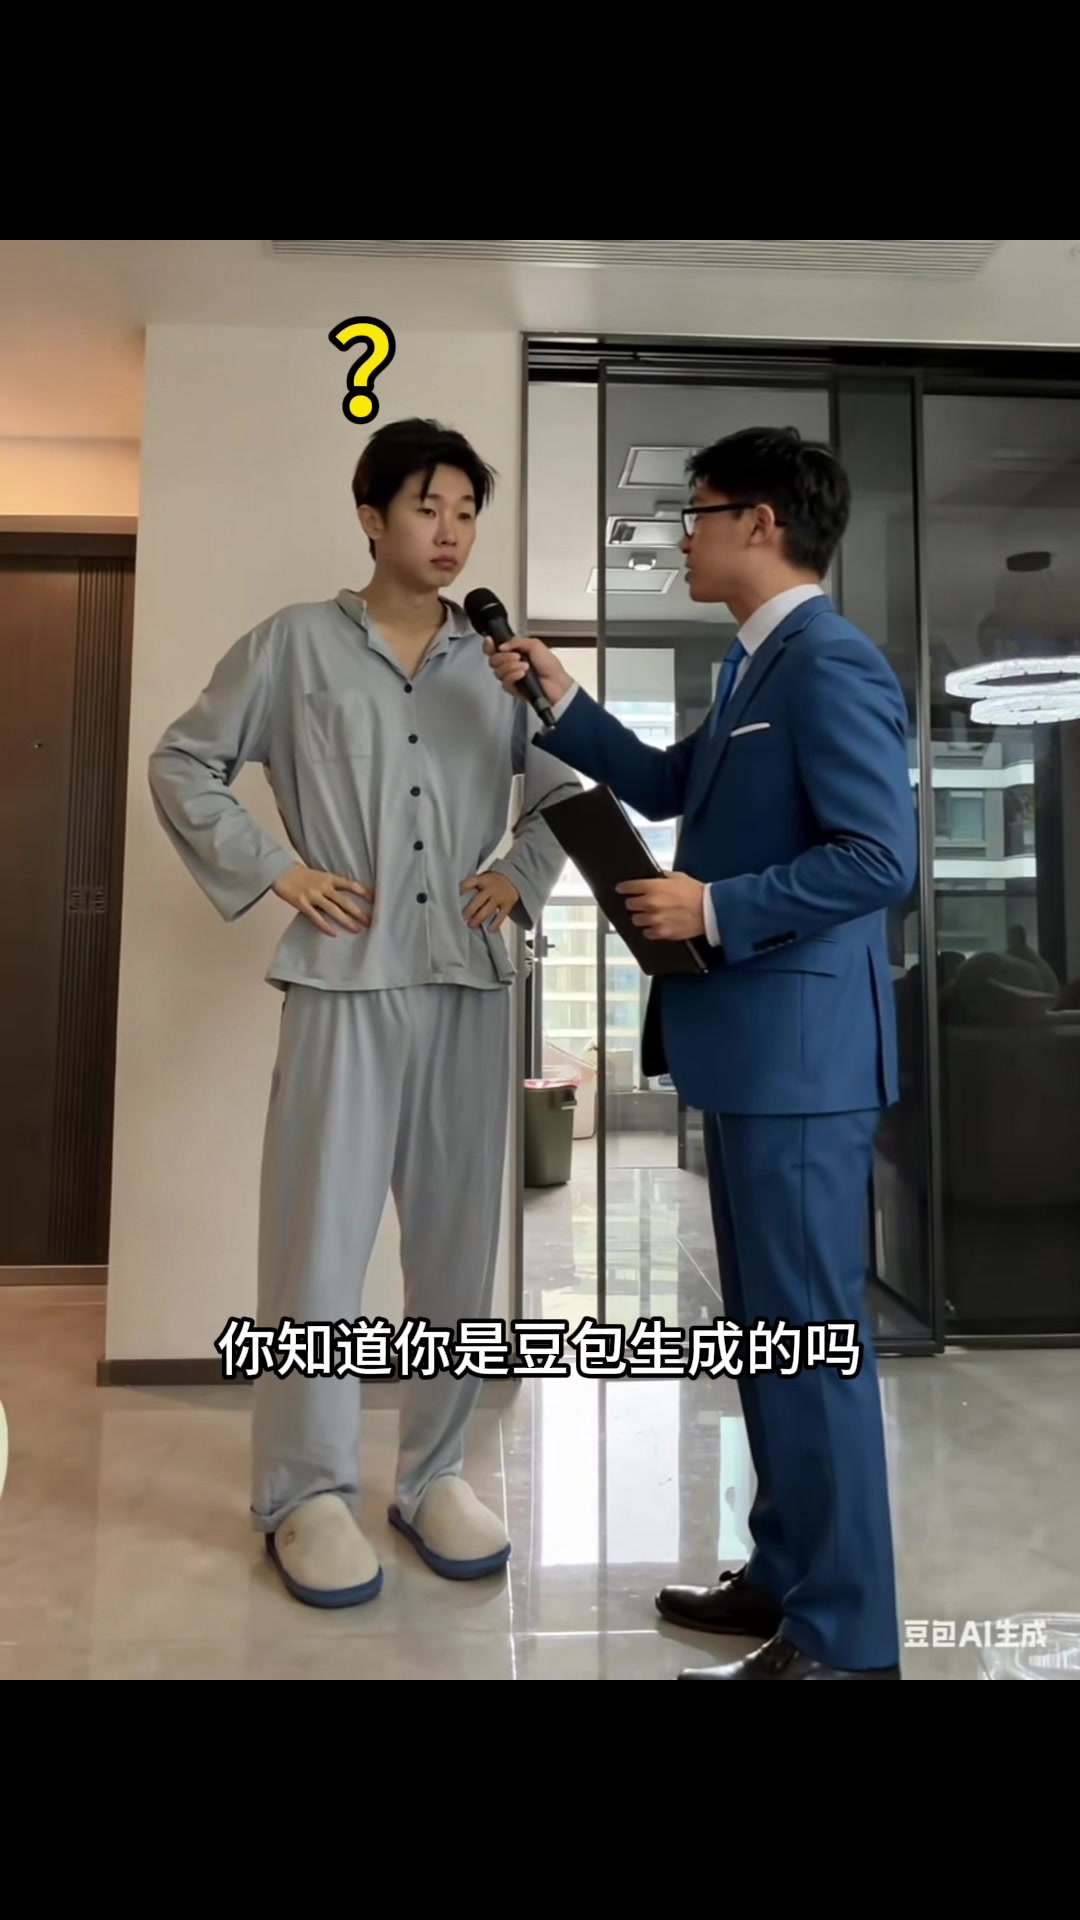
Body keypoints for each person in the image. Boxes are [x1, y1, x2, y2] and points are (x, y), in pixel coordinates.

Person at [487, 426, 917, 1681]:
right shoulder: (750, 668)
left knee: (811, 1343)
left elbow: (877, 859)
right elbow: (675, 784)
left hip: (803, 1064)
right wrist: (559, 699)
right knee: (772, 1339)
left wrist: (714, 907)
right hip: (753, 1059)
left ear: (763, 523)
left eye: (701, 512)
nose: (684, 537)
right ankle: (784, 1574)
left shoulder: (830, 663)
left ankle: (847, 1642)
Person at [148, 417, 580, 1608]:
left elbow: (564, 789)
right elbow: (184, 761)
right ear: (370, 514)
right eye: (428, 507)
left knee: (455, 1247)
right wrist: (278, 870)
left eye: (466, 513)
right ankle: (306, 1492)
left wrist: (520, 871)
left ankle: (434, 1473)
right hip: (343, 979)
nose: (450, 532)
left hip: (467, 982)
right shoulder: (291, 644)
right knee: (318, 1247)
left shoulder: (496, 664)